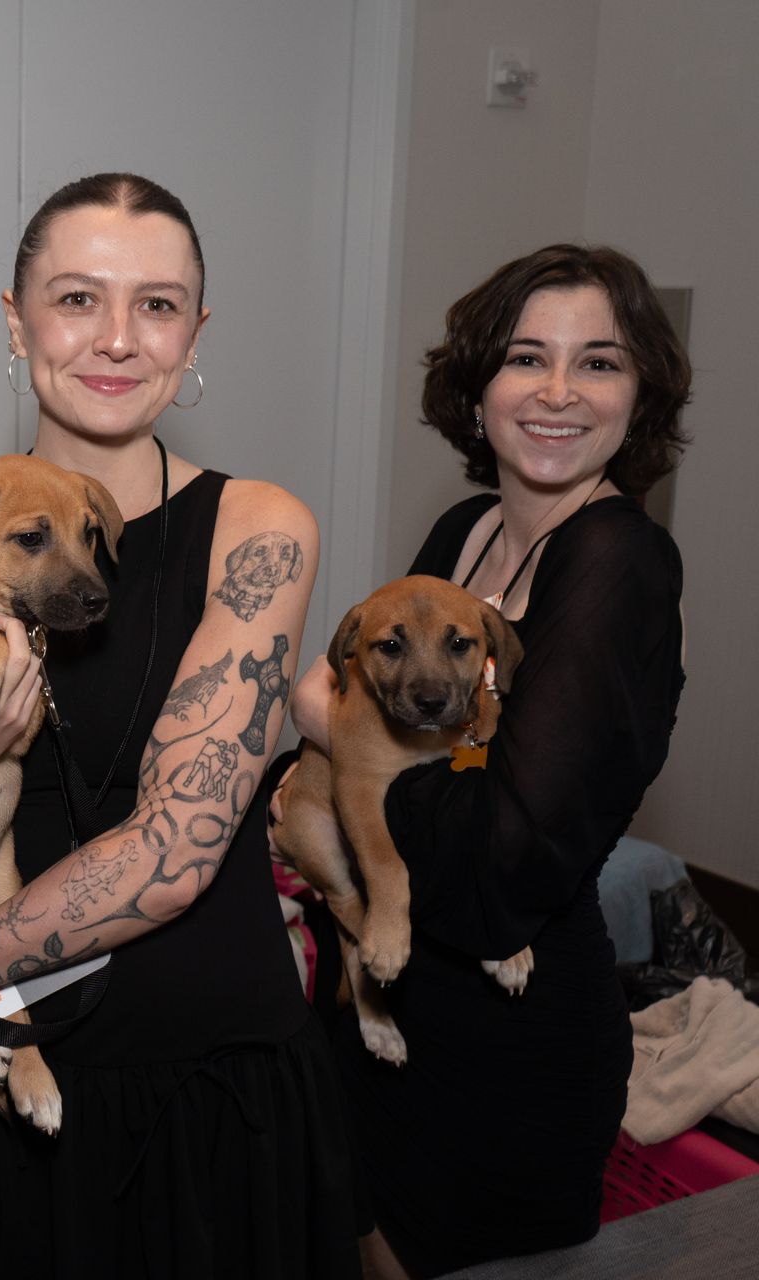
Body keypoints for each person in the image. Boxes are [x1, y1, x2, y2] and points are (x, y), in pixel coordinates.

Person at [0, 173, 362, 1277]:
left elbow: (176, 853)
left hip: (209, 1083)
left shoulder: (255, 528)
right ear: (17, 320)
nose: (118, 338)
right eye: (79, 297)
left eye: (157, 304)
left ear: (195, 332)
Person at [288, 244, 689, 1276]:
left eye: (598, 362)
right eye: (525, 358)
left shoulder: (618, 561)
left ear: (640, 393)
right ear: (478, 390)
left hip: (508, 1040)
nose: (557, 391)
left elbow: (509, 853)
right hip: (392, 999)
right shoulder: (465, 532)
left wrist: (328, 728)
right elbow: (400, 712)